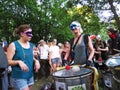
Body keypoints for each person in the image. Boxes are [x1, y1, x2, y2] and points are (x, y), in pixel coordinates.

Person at [6, 24, 40, 90]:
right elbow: (7, 61)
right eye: (28, 33)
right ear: (22, 34)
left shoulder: (31, 45)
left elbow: (29, 57)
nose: (31, 35)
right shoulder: (13, 45)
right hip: (18, 76)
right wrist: (19, 62)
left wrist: (36, 61)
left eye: (31, 33)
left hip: (30, 75)